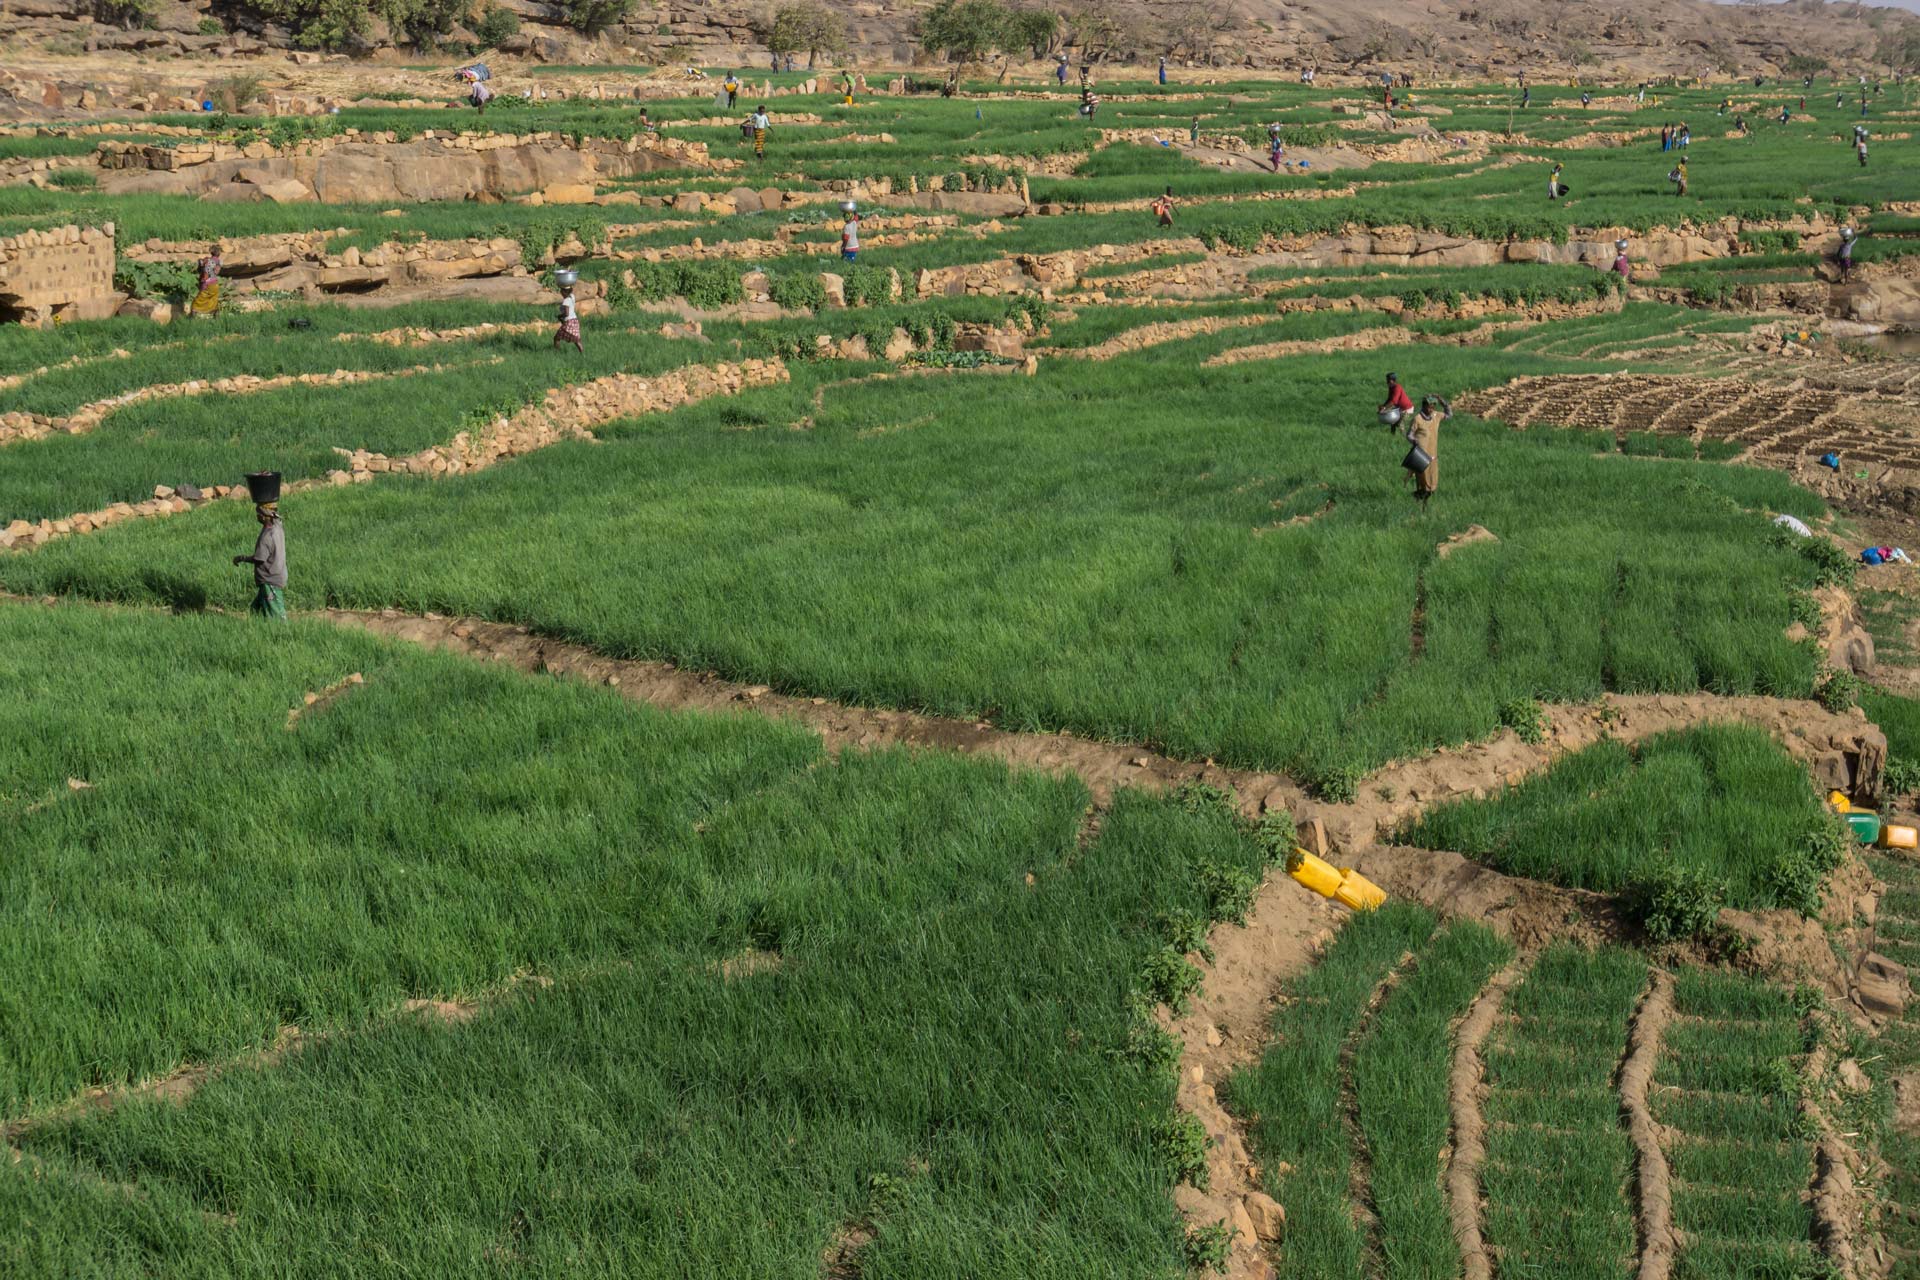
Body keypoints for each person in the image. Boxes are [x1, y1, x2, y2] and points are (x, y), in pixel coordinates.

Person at [233, 474, 287, 622]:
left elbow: (259, 559)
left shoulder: (266, 536)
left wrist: (242, 558)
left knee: (278, 617)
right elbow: (274, 515)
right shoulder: (277, 527)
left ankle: (285, 636)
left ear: (263, 516)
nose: (256, 516)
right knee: (255, 613)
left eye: (258, 513)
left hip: (270, 580)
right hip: (275, 575)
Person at [1405, 395, 1450, 507]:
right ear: (1424, 406)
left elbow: (1449, 415)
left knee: (1432, 485)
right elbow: (1409, 435)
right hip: (1421, 456)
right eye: (1429, 407)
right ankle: (1420, 504)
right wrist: (1415, 441)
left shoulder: (1436, 416)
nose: (1431, 409)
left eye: (1433, 407)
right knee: (1423, 483)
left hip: (1433, 456)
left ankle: (1420, 499)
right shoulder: (1418, 419)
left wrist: (1443, 402)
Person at [191, 244, 222, 318]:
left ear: (211, 252)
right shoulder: (219, 261)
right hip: (215, 284)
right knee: (213, 301)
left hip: (208, 284)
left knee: (197, 302)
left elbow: (206, 273)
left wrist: (203, 282)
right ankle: (216, 318)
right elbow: (216, 272)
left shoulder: (208, 261)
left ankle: (191, 319)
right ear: (219, 253)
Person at [554, 282, 582, 353]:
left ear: (565, 292)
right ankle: (582, 353)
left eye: (562, 291)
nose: (561, 293)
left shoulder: (566, 301)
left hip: (569, 322)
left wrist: (559, 316)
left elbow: (566, 313)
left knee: (556, 338)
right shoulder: (572, 297)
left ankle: (557, 353)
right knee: (576, 339)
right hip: (574, 321)